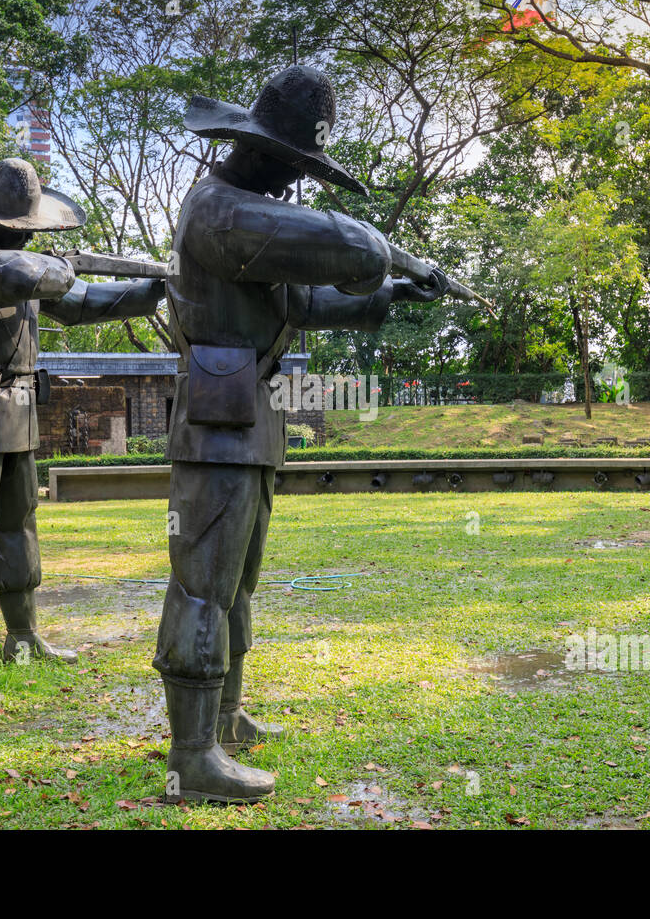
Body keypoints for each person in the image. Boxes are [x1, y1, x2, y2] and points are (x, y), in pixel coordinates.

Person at [154, 65, 452, 804]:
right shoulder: (222, 212)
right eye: (295, 166)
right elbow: (351, 250)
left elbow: (305, 300)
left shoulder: (250, 214)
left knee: (237, 582)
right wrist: (388, 258)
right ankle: (191, 757)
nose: (296, 183)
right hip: (218, 423)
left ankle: (225, 717)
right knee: (202, 583)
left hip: (251, 417)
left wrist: (390, 292)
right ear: (263, 153)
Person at [0, 157, 165, 706]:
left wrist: (151, 289)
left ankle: (23, 636)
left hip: (19, 409)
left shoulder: (25, 266)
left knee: (19, 528)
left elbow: (79, 303)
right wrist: (62, 265)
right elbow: (20, 275)